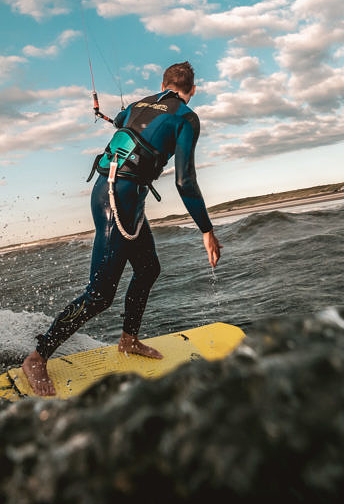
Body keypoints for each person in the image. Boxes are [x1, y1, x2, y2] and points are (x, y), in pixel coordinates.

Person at [21, 61, 222, 396]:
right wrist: (206, 230)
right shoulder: (186, 118)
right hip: (115, 198)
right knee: (100, 295)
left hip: (122, 195)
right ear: (193, 90)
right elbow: (185, 181)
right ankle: (37, 357)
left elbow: (119, 120)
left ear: (163, 85)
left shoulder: (136, 105)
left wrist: (113, 116)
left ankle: (129, 340)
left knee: (148, 268)